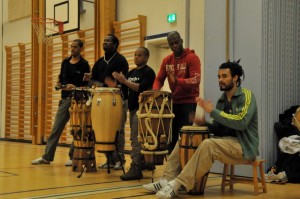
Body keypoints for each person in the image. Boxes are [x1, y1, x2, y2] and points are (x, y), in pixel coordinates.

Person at [142, 60, 259, 199]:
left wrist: (213, 112)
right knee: (185, 139)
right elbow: (219, 129)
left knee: (208, 144)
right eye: (219, 76)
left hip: (244, 147)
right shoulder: (222, 100)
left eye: (224, 76)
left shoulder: (247, 96)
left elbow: (241, 122)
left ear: (235, 78)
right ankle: (166, 180)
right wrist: (204, 123)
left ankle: (177, 184)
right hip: (226, 142)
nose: (220, 80)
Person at [32, 39, 90, 165]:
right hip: (65, 100)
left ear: (81, 49)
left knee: (77, 130)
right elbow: (60, 78)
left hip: (78, 101)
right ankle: (47, 157)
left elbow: (87, 85)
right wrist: (59, 84)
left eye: (75, 47)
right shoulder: (65, 62)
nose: (72, 49)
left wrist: (74, 87)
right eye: (71, 46)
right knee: (56, 129)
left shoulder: (84, 64)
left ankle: (73, 156)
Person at [84, 34, 129, 170]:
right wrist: (100, 83)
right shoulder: (99, 62)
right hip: (102, 101)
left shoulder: (121, 61)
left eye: (108, 41)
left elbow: (124, 81)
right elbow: (91, 81)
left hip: (118, 99)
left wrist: (113, 84)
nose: (105, 43)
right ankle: (109, 160)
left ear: (115, 45)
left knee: (117, 130)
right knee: (105, 130)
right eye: (104, 41)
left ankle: (120, 160)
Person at [153, 31, 201, 153]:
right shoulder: (167, 60)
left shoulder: (192, 57)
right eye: (171, 43)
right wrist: (154, 92)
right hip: (173, 102)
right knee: (172, 136)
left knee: (184, 136)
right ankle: (173, 169)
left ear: (181, 41)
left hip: (189, 102)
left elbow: (196, 80)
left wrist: (177, 81)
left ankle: (184, 165)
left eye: (176, 42)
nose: (174, 45)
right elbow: (159, 79)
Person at [113, 47, 156, 180]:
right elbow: (125, 89)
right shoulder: (131, 72)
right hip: (132, 109)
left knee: (135, 139)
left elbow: (141, 89)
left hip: (143, 109)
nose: (136, 57)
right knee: (137, 138)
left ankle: (136, 167)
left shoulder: (149, 72)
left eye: (140, 55)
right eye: (135, 55)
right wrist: (118, 83)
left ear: (147, 57)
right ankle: (144, 162)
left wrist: (125, 81)